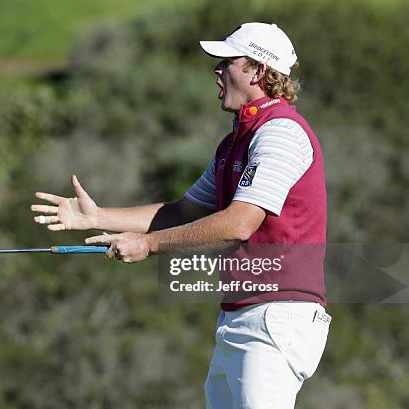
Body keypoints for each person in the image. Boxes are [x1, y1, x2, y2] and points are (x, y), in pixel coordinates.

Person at [31, 22, 331, 409]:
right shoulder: (235, 141)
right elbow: (182, 211)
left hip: (276, 315)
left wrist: (148, 245)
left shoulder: (280, 134)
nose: (217, 71)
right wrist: (99, 217)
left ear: (258, 71)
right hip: (241, 315)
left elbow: (238, 224)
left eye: (227, 62)